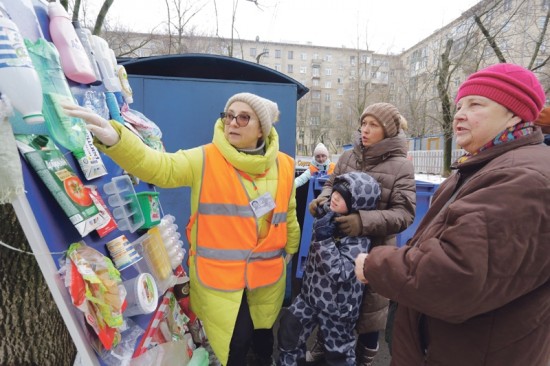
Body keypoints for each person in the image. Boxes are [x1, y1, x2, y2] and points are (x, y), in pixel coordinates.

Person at [62, 92, 300, 366]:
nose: (232, 123)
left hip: (267, 277)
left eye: (243, 117)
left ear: (262, 129)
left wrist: (291, 249)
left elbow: (287, 213)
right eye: (228, 115)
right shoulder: (205, 158)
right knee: (235, 343)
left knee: (263, 333)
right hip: (220, 280)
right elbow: (159, 167)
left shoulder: (285, 165)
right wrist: (116, 139)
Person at [354, 63, 550, 366]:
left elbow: (455, 275)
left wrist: (376, 265)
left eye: (476, 104)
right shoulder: (483, 165)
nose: (459, 113)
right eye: (459, 105)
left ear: (514, 114)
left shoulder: (521, 178)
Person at [308, 102, 416, 365]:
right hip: (336, 244)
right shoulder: (348, 157)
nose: (364, 130)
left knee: (369, 313)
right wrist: (322, 198)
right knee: (330, 299)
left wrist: (363, 221)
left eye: (373, 125)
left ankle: (365, 358)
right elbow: (331, 184)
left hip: (373, 252)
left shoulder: (401, 166)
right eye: (363, 123)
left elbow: (404, 214)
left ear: (388, 130)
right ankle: (325, 345)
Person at [278, 171, 381, 366]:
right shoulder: (329, 218)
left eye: (342, 196)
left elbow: (341, 272)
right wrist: (321, 210)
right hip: (310, 297)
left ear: (356, 205)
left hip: (338, 308)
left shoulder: (358, 238)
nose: (334, 196)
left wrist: (324, 240)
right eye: (335, 192)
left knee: (338, 353)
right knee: (289, 329)